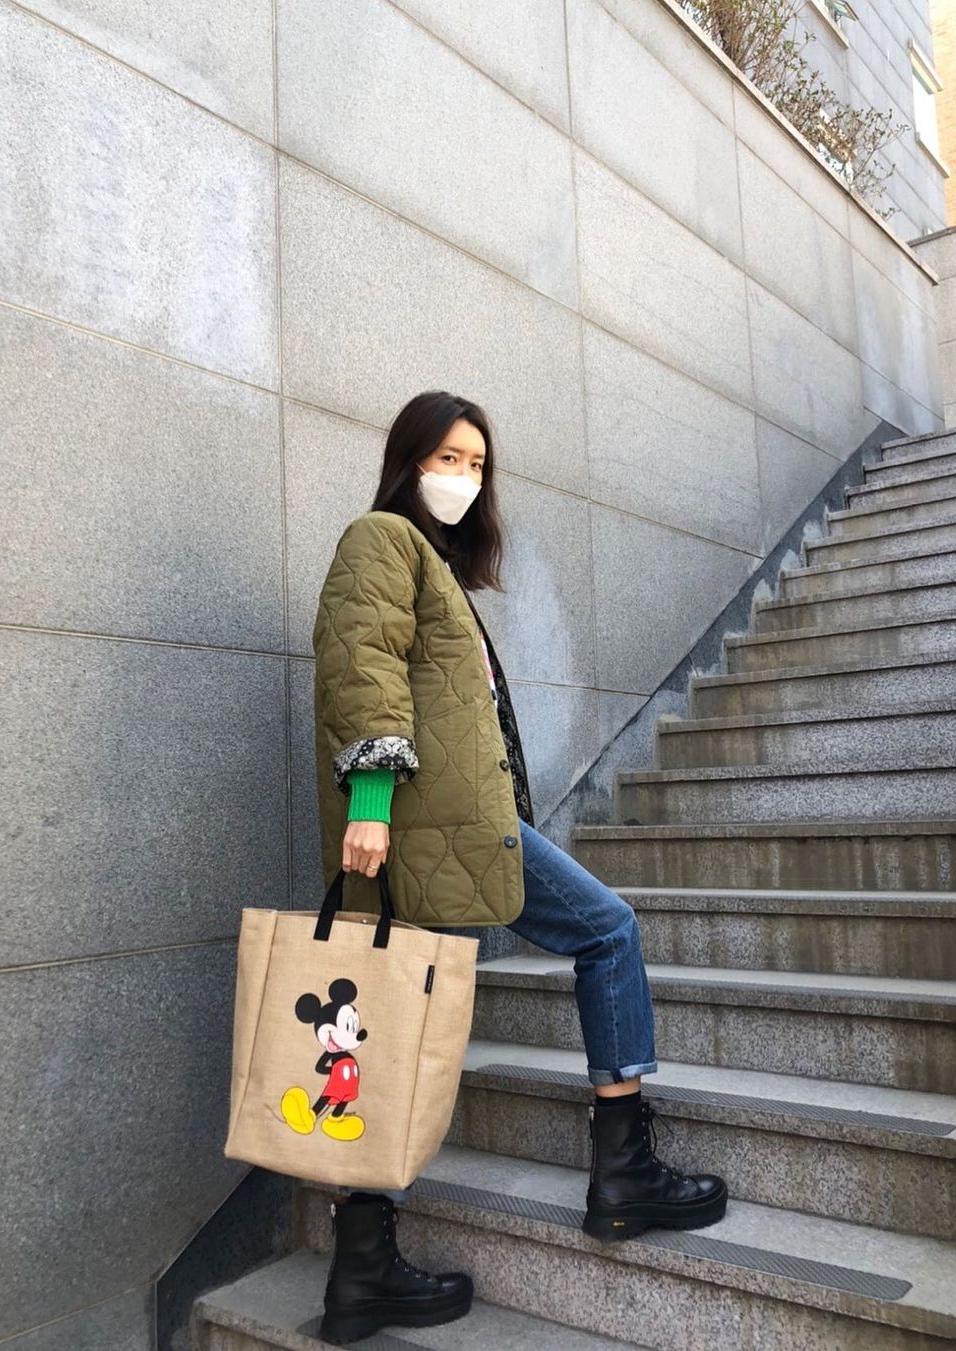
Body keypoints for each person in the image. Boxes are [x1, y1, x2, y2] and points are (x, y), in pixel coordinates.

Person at [311, 391, 727, 1345]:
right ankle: (621, 1171)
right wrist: (369, 802)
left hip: (460, 827)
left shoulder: (437, 567)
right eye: (447, 458)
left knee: (407, 1024)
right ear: (408, 460)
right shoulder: (381, 538)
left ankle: (363, 1267)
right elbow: (361, 666)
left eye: (477, 464)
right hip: (425, 827)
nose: (463, 478)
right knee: (601, 931)